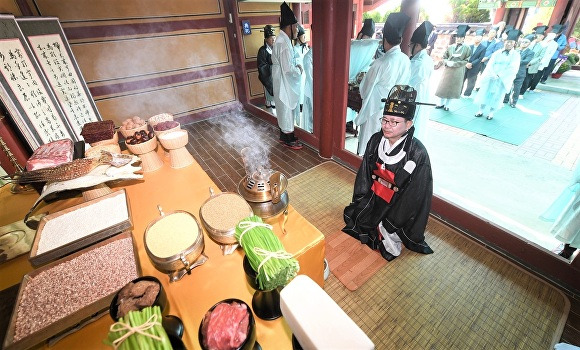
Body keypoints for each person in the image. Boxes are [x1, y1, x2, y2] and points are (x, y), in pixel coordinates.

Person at [343, 85, 434, 261]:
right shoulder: (377, 140)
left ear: (409, 124)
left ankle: (388, 227)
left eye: (394, 122)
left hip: (398, 205)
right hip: (375, 196)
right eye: (385, 120)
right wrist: (363, 198)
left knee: (388, 233)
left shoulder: (417, 153)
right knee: (357, 217)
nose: (387, 126)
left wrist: (392, 217)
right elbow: (365, 174)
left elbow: (415, 195)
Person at [355, 12, 411, 155]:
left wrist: (362, 80)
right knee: (385, 143)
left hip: (376, 108)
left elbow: (366, 87)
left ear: (385, 39)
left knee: (370, 139)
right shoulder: (405, 60)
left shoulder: (381, 62)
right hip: (394, 110)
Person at [272, 2, 303, 150]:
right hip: (283, 78)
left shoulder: (281, 39)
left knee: (283, 107)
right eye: (295, 26)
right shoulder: (283, 43)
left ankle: (284, 135)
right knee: (286, 106)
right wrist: (298, 70)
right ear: (289, 26)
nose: (297, 29)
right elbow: (288, 69)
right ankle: (288, 138)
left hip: (280, 77)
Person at [474, 29, 521, 120]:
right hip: (491, 77)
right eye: (507, 42)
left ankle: (491, 113)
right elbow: (490, 64)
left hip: (502, 79)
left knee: (497, 96)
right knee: (485, 93)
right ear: (504, 42)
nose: (509, 44)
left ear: (514, 43)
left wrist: (499, 75)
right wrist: (492, 73)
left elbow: (512, 68)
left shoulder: (516, 55)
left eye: (511, 42)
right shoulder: (497, 52)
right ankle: (480, 110)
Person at [434, 24, 471, 111]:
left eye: (460, 37)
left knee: (453, 88)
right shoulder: (451, 47)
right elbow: (444, 56)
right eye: (457, 37)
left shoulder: (467, 48)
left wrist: (455, 64)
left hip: (458, 70)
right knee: (444, 86)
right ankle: (441, 103)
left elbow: (466, 60)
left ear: (464, 38)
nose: (458, 39)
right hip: (448, 70)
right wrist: (447, 62)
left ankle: (448, 105)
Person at [409, 21, 434, 142]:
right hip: (422, 97)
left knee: (412, 127)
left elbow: (406, 83)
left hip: (414, 98)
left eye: (410, 45)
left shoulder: (418, 63)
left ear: (417, 45)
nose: (409, 48)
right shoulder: (428, 59)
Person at [504, 32, 533, 107]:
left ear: (529, 44)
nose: (523, 43)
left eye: (526, 42)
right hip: (511, 71)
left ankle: (513, 102)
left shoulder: (530, 52)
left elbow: (526, 61)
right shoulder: (515, 50)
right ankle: (505, 99)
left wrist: (515, 61)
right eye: (522, 41)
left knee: (516, 89)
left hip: (520, 73)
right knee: (508, 86)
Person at [520, 30, 546, 95]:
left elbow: (540, 57)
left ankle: (521, 93)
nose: (538, 37)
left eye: (540, 36)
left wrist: (530, 63)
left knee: (527, 80)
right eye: (537, 35)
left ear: (542, 37)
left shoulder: (543, 46)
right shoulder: (530, 42)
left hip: (531, 65)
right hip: (523, 63)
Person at [462, 28, 487, 97]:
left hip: (475, 67)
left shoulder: (483, 48)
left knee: (471, 81)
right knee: (462, 79)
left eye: (479, 38)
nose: (477, 39)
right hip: (466, 65)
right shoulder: (469, 46)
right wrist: (466, 63)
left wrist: (471, 64)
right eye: (476, 37)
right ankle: (458, 92)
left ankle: (467, 94)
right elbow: (465, 55)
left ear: (481, 39)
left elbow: (480, 58)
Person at [293, 24, 309, 127]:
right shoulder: (294, 49)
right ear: (298, 37)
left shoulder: (307, 48)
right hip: (299, 79)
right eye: (303, 36)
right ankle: (298, 123)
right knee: (299, 102)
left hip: (307, 78)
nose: (305, 38)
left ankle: (305, 124)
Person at [257, 25, 276, 109]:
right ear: (266, 39)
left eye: (274, 38)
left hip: (277, 77)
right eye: (271, 38)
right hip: (268, 77)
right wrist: (272, 67)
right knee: (271, 99)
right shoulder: (262, 51)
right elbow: (262, 67)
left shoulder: (276, 48)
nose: (273, 40)